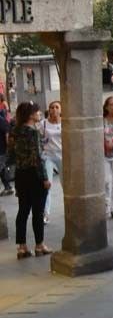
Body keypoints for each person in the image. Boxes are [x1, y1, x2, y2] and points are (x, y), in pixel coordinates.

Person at [10, 102, 51, 259]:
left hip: (20, 174)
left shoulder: (15, 131)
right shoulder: (33, 132)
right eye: (36, 112)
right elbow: (37, 158)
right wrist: (45, 178)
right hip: (34, 175)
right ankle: (39, 245)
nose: (39, 113)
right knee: (37, 211)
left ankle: (22, 247)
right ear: (30, 115)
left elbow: (11, 155)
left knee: (23, 211)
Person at [40, 101, 63, 224]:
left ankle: (70, 209)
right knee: (47, 184)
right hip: (48, 155)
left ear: (60, 110)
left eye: (56, 107)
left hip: (62, 154)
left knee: (66, 184)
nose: (53, 110)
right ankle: (45, 213)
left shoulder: (65, 122)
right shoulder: (43, 124)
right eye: (51, 107)